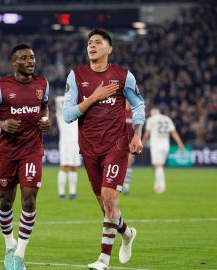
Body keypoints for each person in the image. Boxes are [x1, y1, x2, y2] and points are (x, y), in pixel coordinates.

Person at [63, 28, 145, 270]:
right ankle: (127, 233)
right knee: (106, 206)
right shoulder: (76, 76)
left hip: (116, 145)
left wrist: (138, 135)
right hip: (89, 148)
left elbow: (139, 105)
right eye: (89, 42)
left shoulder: (123, 76)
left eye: (98, 42)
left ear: (109, 49)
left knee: (110, 198)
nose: (92, 46)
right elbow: (67, 115)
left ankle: (103, 259)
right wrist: (94, 97)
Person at [0, 44, 51, 270]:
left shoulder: (42, 84)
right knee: (5, 201)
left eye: (32, 57)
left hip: (32, 150)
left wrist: (45, 120)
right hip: (8, 152)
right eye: (25, 58)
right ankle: (9, 244)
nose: (31, 61)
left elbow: (44, 108)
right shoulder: (0, 87)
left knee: (29, 199)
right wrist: (1, 123)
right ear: (14, 62)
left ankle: (19, 254)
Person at [142, 107, 185, 194]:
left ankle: (162, 187)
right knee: (158, 166)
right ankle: (156, 186)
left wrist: (142, 143)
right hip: (166, 145)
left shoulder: (151, 119)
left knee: (158, 166)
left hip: (156, 144)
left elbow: (147, 133)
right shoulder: (167, 119)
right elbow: (174, 132)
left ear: (152, 113)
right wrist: (180, 143)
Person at [55, 95, 81, 200]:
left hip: (76, 143)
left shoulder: (77, 114)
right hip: (65, 143)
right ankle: (61, 193)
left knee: (74, 167)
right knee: (65, 167)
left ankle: (72, 192)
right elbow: (58, 100)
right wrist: (70, 97)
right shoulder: (61, 114)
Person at [123, 101, 134, 195]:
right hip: (118, 142)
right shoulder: (119, 111)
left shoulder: (133, 113)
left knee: (129, 162)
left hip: (130, 142)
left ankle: (126, 185)